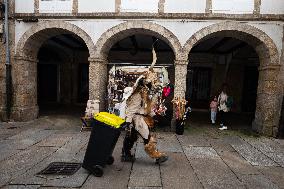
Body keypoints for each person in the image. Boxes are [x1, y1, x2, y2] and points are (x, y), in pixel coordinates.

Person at [121, 47, 168, 164]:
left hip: (142, 117)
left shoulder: (146, 93)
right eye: (152, 83)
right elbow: (132, 109)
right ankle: (157, 156)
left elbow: (147, 108)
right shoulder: (138, 93)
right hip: (137, 119)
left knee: (131, 137)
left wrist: (154, 114)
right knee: (147, 137)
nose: (154, 86)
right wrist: (127, 122)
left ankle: (125, 154)